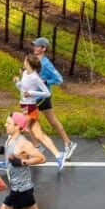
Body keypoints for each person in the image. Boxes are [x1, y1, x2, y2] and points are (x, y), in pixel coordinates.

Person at [30, 37, 77, 165]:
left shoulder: (46, 64)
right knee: (50, 122)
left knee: (28, 122)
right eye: (34, 45)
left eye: (37, 46)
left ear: (43, 48)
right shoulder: (33, 60)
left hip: (42, 97)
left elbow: (59, 79)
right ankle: (67, 143)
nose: (34, 47)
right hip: (34, 97)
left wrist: (46, 81)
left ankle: (39, 147)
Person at [13, 54, 64, 167]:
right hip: (25, 107)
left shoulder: (35, 77)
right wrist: (17, 82)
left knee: (16, 129)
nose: (23, 61)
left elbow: (47, 93)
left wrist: (31, 93)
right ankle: (58, 155)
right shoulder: (25, 73)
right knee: (39, 135)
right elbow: (23, 90)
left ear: (28, 63)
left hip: (31, 108)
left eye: (25, 60)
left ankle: (12, 159)